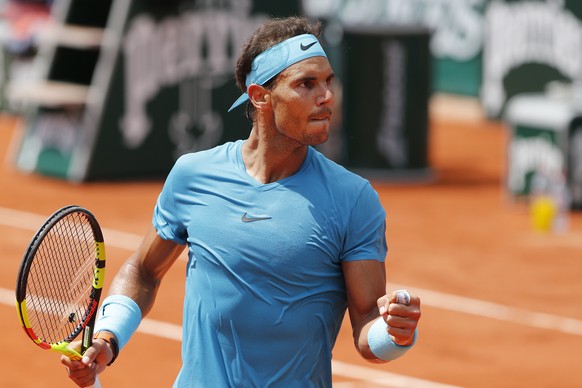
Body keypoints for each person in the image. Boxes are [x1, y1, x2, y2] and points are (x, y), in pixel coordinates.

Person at [61, 16, 421, 387]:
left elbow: (366, 326)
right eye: (306, 84)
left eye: (328, 81)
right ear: (260, 96)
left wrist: (395, 335)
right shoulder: (192, 175)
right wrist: (107, 337)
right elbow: (144, 271)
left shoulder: (354, 199)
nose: (326, 96)